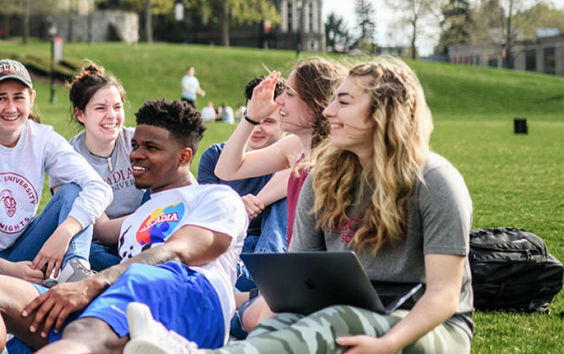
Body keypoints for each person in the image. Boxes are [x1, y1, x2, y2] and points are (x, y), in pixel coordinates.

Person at [127, 59, 474, 354]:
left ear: (383, 112)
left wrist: (388, 343)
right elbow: (299, 277)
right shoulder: (322, 179)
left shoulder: (435, 181)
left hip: (429, 326)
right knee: (277, 323)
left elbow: (444, 296)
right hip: (348, 306)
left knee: (339, 320)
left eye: (344, 102)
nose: (329, 111)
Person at [0, 99, 247, 354]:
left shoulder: (215, 197)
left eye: (151, 147)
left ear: (184, 157)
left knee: (86, 332)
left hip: (185, 290)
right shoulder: (134, 219)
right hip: (119, 294)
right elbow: (92, 214)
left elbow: (177, 252)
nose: (136, 155)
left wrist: (88, 284)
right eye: (135, 145)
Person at [211, 57, 346, 333]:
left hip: (323, 279)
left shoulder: (339, 158)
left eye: (290, 94)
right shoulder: (294, 146)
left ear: (317, 103)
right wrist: (251, 117)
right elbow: (227, 169)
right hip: (299, 273)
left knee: (247, 320)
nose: (279, 101)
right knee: (241, 316)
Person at [0, 60, 112, 284]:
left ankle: (75, 271)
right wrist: (8, 269)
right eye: (1, 98)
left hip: (26, 249)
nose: (11, 108)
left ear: (32, 99)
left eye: (19, 97)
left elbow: (99, 187)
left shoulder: (43, 139)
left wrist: (64, 233)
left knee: (73, 192)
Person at [59, 62, 138, 272]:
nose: (111, 115)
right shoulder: (68, 157)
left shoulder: (137, 141)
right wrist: (154, 216)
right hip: (104, 246)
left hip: (147, 238)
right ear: (80, 114)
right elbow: (102, 230)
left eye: (117, 107)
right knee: (87, 253)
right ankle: (140, 273)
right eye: (100, 108)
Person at [197, 77, 289, 257]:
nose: (257, 128)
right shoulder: (215, 156)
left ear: (286, 123)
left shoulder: (293, 158)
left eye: (268, 121)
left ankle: (267, 265)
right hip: (226, 247)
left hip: (271, 249)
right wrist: (237, 205)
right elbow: (207, 214)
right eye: (253, 117)